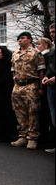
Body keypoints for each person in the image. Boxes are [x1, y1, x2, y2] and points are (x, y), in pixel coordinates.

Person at [10, 31, 46, 150]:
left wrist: (41, 87)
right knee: (19, 112)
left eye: (23, 38)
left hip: (31, 84)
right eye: (19, 38)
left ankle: (32, 138)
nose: (20, 40)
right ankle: (23, 136)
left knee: (33, 112)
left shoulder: (36, 53)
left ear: (29, 40)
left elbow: (41, 70)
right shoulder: (15, 54)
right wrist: (15, 84)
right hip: (18, 86)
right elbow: (13, 71)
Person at [42, 23, 55, 153]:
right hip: (51, 86)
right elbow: (49, 67)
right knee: (53, 116)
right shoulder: (52, 49)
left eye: (54, 31)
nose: (52, 34)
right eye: (51, 32)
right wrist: (46, 76)